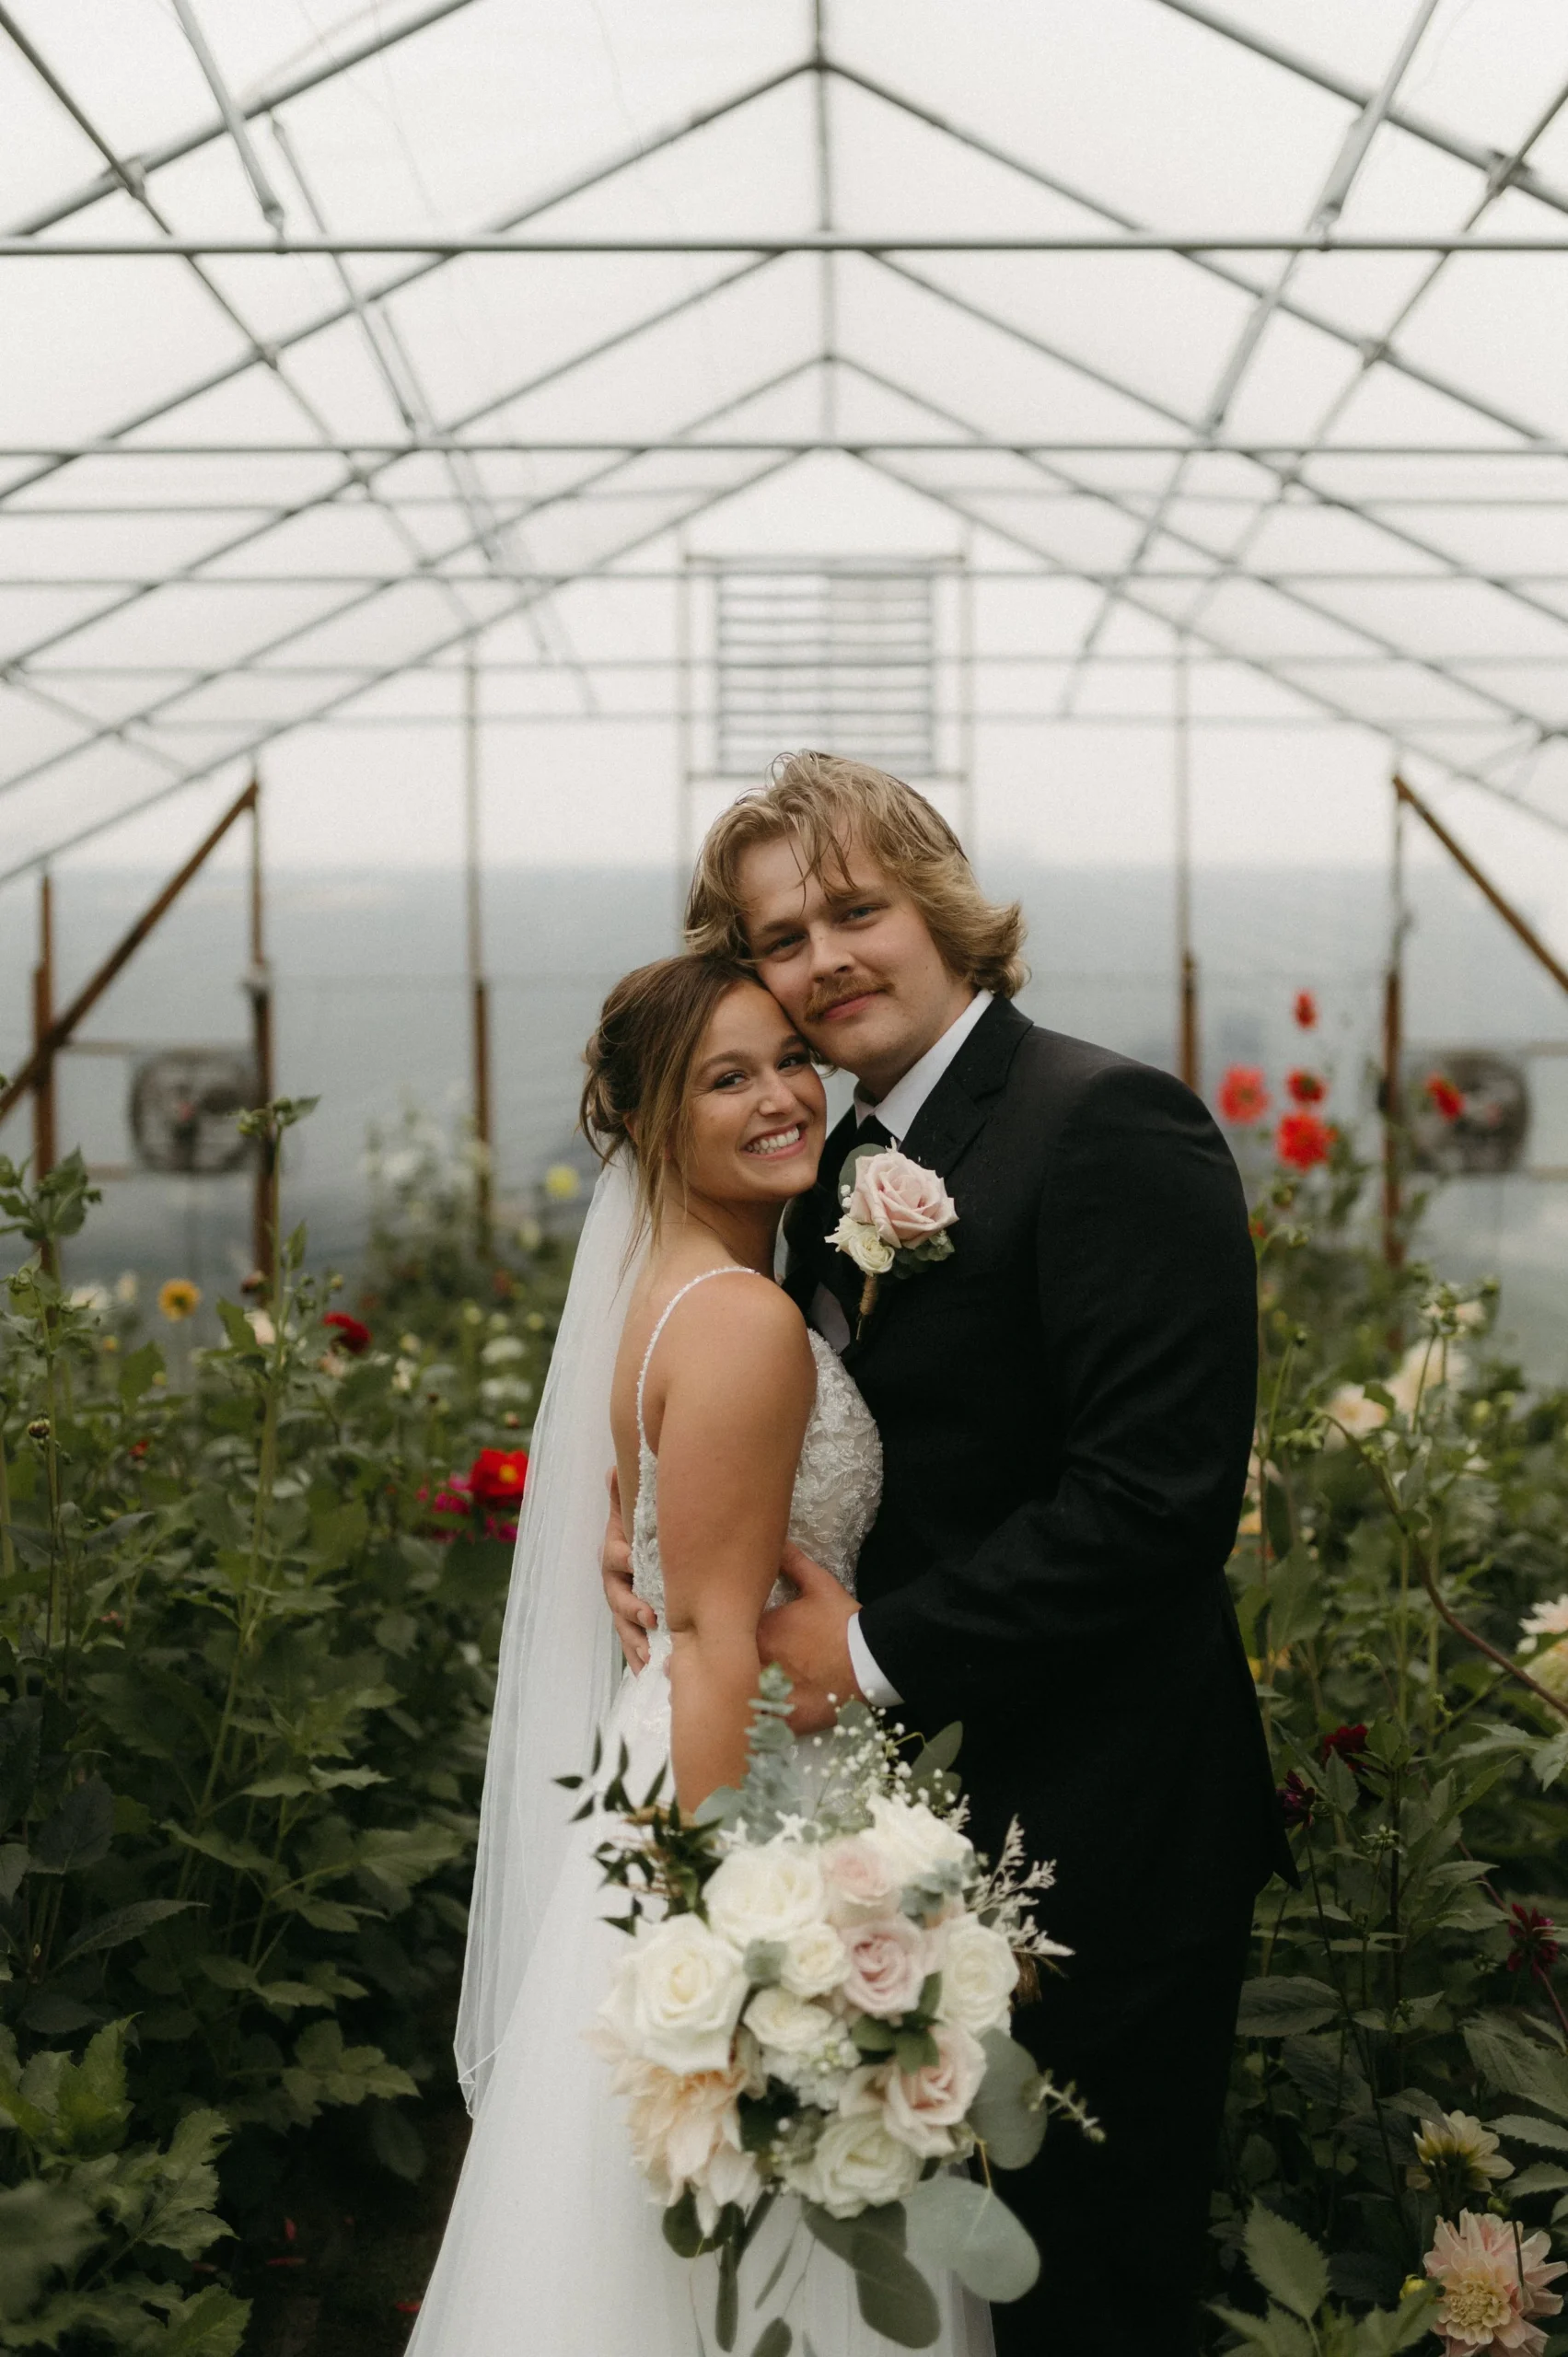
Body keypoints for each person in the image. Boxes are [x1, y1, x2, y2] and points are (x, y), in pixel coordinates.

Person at [605, 751, 1287, 2355]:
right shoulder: (823, 1163)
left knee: (1090, 2304)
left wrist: (858, 1652)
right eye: (781, 938)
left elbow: (1151, 1503)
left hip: (1102, 1833)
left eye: (855, 910)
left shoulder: (1104, 1123)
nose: (824, 959)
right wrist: (643, 1538)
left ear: (940, 909)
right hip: (892, 1847)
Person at [408, 953, 991, 2357]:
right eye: (728, 1078)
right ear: (649, 1121)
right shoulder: (738, 1318)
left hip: (687, 1762)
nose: (784, 1096)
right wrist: (733, 1949)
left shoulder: (677, 1292)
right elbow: (721, 1640)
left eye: (791, 1060)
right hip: (741, 1792)